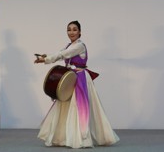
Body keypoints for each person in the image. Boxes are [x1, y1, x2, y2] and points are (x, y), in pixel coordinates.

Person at [34, 20, 119, 148]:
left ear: (80, 32)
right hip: (69, 78)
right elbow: (60, 54)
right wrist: (46, 56)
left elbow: (63, 54)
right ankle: (64, 138)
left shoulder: (80, 46)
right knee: (65, 106)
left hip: (79, 78)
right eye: (69, 29)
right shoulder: (69, 45)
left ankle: (80, 139)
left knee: (77, 107)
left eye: (74, 29)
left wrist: (46, 59)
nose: (71, 32)